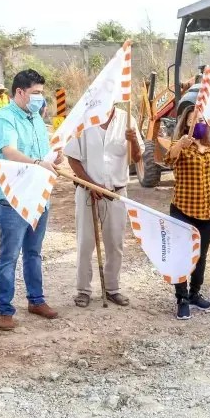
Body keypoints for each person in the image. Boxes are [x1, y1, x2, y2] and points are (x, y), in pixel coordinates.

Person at [0, 69, 63, 331]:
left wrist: (53, 160)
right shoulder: (4, 118)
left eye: (42, 93)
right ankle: (4, 310)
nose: (40, 99)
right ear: (19, 92)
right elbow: (8, 151)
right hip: (12, 196)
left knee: (34, 252)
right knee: (9, 255)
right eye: (35, 93)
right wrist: (37, 163)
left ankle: (36, 299)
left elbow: (41, 155)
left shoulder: (36, 119)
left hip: (38, 195)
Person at [65, 107, 144, 308]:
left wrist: (133, 140)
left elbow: (137, 157)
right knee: (85, 243)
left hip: (116, 193)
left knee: (115, 243)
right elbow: (72, 157)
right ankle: (83, 290)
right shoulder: (84, 119)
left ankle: (112, 289)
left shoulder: (127, 119)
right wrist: (91, 184)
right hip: (87, 192)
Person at [165, 106, 210, 320]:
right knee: (182, 255)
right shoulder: (181, 147)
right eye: (196, 120)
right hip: (183, 210)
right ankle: (182, 298)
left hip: (209, 212)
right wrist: (180, 145)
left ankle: (195, 294)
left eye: (203, 119)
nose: (200, 123)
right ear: (186, 123)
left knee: (200, 256)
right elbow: (168, 159)